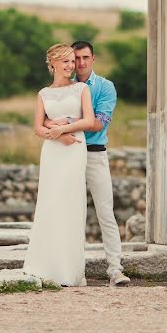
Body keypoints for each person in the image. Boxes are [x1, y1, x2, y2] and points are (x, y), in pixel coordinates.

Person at [44, 40, 130, 287]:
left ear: (93, 59)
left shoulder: (104, 87)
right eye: (75, 58)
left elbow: (98, 123)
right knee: (68, 212)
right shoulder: (62, 87)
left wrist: (63, 124)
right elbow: (46, 119)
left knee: (105, 211)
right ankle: (70, 271)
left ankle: (115, 269)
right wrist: (54, 126)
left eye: (84, 58)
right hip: (66, 153)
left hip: (94, 152)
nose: (79, 63)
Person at [22, 43, 96, 287]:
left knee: (71, 204)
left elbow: (89, 120)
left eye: (72, 61)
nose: (71, 66)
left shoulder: (81, 88)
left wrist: (63, 129)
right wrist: (55, 135)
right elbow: (37, 128)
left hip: (74, 148)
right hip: (53, 151)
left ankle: (69, 271)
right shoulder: (43, 94)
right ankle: (44, 266)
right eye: (65, 61)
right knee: (50, 202)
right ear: (52, 63)